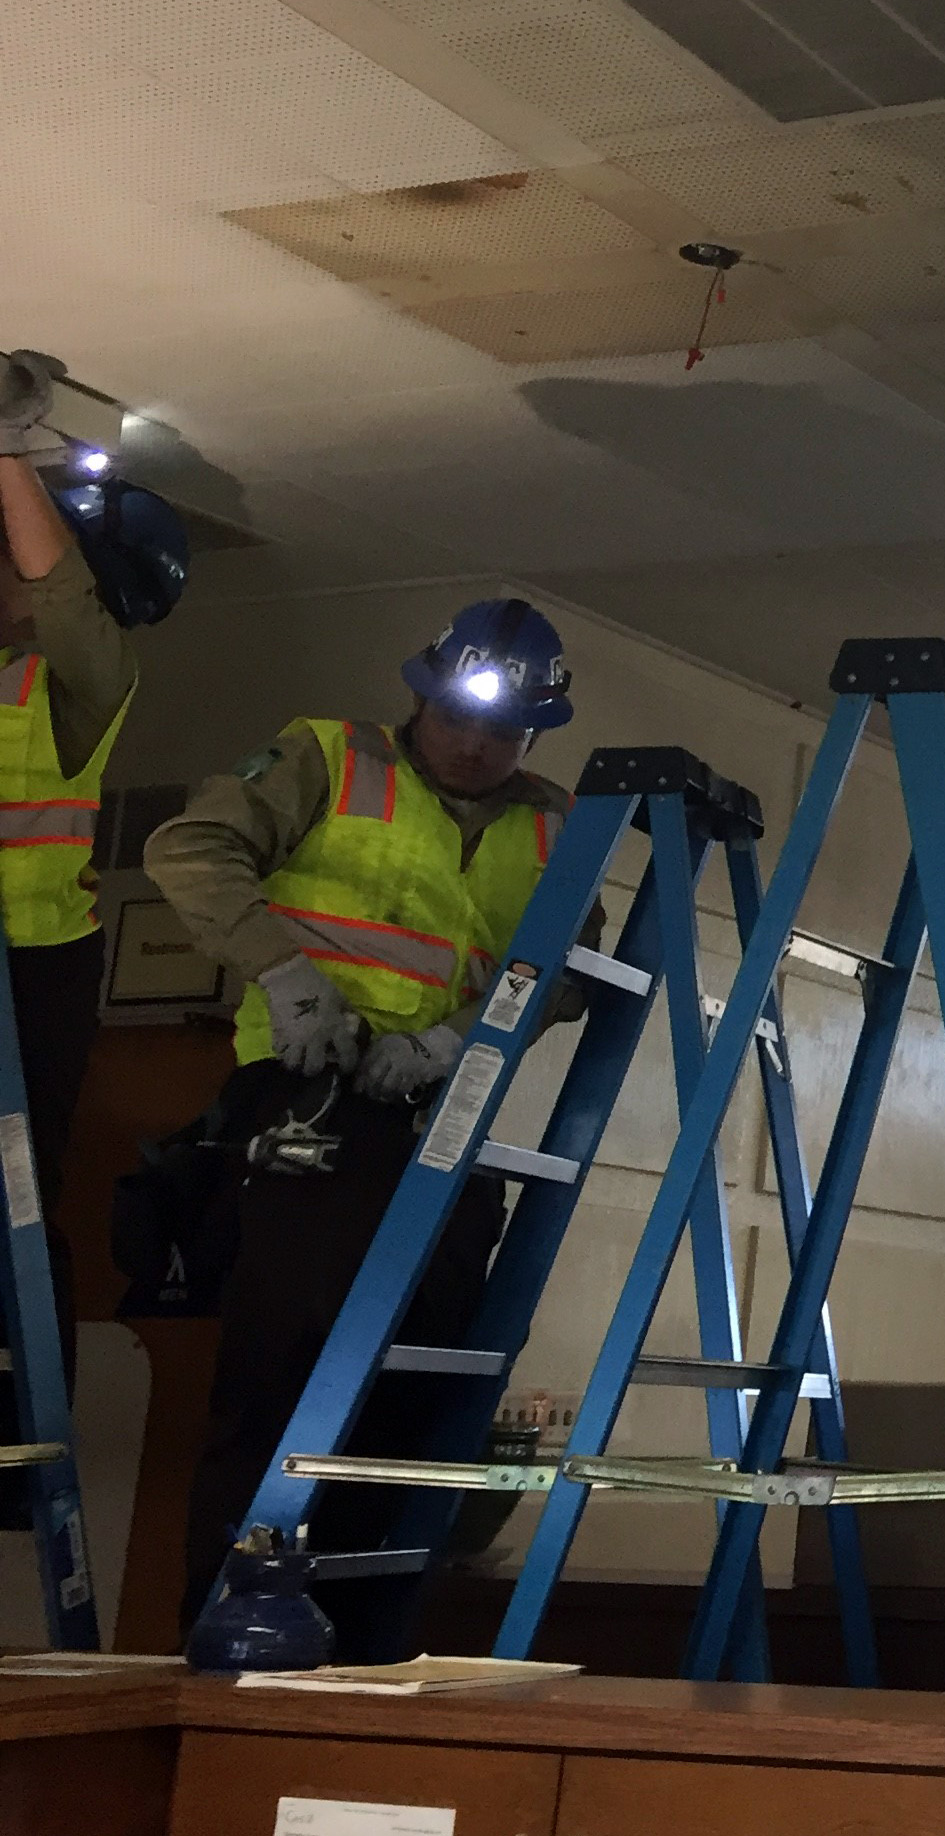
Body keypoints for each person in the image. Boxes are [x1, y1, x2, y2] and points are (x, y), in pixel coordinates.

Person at [145, 597, 581, 1651]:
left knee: (426, 1381)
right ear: (420, 696)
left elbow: (563, 967)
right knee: (282, 1376)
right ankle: (230, 1635)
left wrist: (465, 1041)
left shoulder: (553, 819)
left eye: (504, 733)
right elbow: (189, 850)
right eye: (459, 721)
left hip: (442, 1109)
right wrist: (286, 976)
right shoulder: (328, 757)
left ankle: (374, 1646)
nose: (476, 747)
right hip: (312, 1100)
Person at [0, 348, 184, 1524]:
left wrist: (7, 450)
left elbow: (56, 587)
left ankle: (19, 1437)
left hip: (25, 972)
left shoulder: (82, 673)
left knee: (10, 1202)